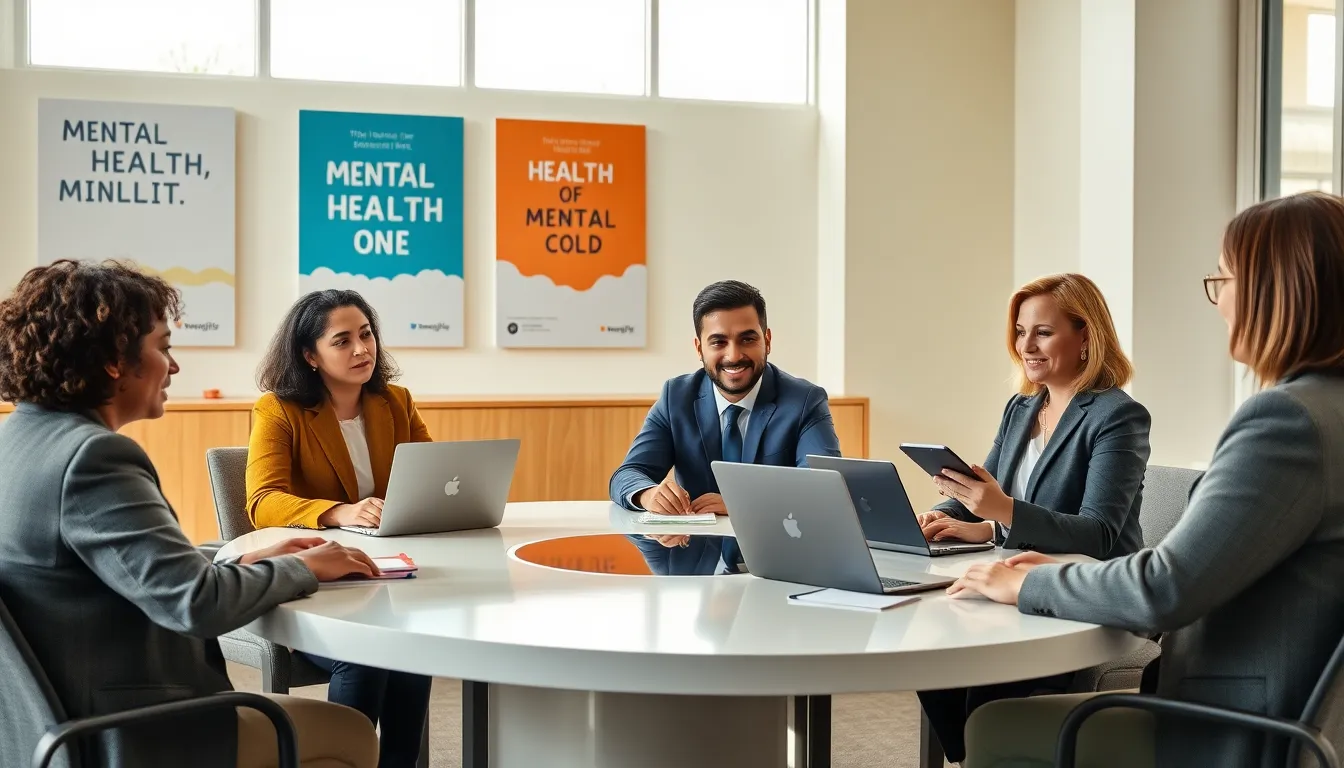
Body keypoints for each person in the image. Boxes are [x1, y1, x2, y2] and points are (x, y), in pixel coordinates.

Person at [952, 191, 1344, 768]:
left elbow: (1164, 588)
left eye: (1223, 279)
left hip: (1237, 730)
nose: (1218, 300)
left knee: (993, 725)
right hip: (1302, 719)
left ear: (1275, 289)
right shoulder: (1327, 411)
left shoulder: (1284, 422)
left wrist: (1029, 584)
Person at [0, 260, 381, 768]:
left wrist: (245, 561)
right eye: (163, 347)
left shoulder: (18, 440)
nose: (174, 366)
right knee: (351, 732)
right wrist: (301, 567)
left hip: (47, 727)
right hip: (131, 729)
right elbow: (196, 605)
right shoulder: (93, 458)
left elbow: (131, 571)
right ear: (115, 360)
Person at [913, 272, 1152, 766]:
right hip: (1011, 580)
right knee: (925, 648)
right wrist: (942, 512)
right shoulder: (1022, 408)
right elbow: (987, 489)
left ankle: (983, 751)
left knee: (980, 678)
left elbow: (1099, 534)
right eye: (1021, 332)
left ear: (1086, 337)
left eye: (1043, 332)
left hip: (1082, 589)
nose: (1026, 346)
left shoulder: (1117, 416)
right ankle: (975, 754)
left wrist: (1000, 512)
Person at [247, 289, 432, 768]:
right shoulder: (278, 409)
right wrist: (338, 511)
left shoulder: (395, 402)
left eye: (366, 335)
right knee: (369, 651)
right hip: (316, 586)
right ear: (310, 355)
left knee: (412, 647)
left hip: (389, 577)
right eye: (342, 341)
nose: (362, 349)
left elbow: (430, 479)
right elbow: (262, 501)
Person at [609, 280, 842, 575]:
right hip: (694, 571)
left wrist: (742, 503)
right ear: (699, 348)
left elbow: (823, 488)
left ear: (767, 340)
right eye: (718, 342)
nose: (733, 356)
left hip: (780, 569)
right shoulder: (676, 397)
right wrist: (649, 495)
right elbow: (627, 475)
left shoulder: (805, 401)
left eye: (747, 339)